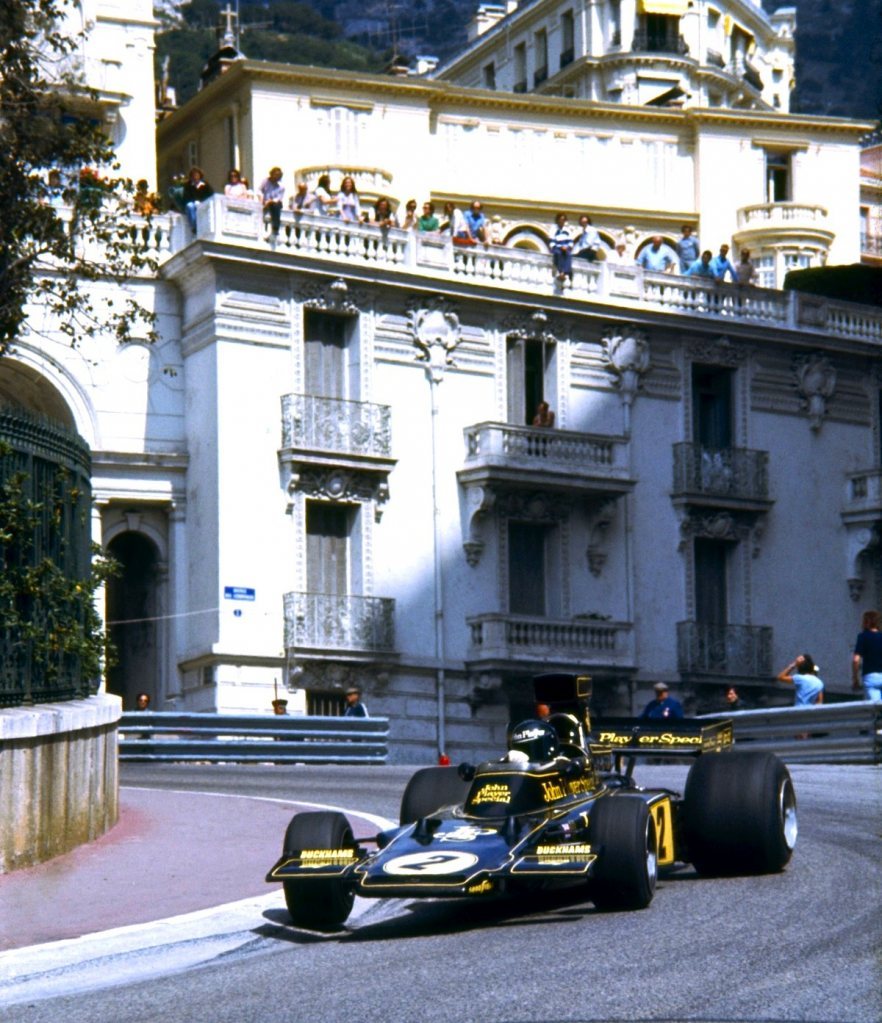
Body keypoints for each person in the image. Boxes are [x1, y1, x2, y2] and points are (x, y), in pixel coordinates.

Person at [852, 609, 882, 702]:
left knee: (875, 709)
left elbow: (856, 660)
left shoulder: (863, 636)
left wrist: (855, 678)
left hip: (870, 676)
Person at [182, 166, 213, 232]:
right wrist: (194, 201)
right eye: (193, 176)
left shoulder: (205, 185)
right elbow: (186, 197)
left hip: (203, 203)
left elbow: (210, 195)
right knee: (190, 206)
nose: (195, 177)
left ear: (200, 176)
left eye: (196, 175)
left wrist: (201, 201)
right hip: (192, 203)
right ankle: (194, 226)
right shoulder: (188, 185)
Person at [259, 166, 285, 235]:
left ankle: (275, 228)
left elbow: (278, 199)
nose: (277, 177)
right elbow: (260, 191)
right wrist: (261, 200)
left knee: (276, 206)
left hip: (274, 203)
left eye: (278, 175)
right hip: (265, 201)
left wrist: (269, 202)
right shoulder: (265, 181)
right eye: (275, 174)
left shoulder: (281, 186)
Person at [550, 212, 574, 282]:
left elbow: (570, 241)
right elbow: (552, 241)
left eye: (563, 220)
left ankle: (564, 273)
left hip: (565, 247)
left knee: (568, 255)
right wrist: (559, 247)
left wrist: (568, 247)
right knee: (559, 254)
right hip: (557, 247)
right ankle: (560, 272)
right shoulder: (554, 230)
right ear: (557, 220)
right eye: (560, 220)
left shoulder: (567, 230)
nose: (561, 221)